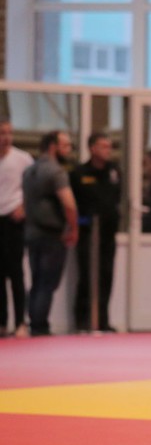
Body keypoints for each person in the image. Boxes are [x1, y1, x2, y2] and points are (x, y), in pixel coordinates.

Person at [22, 130, 78, 337]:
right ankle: (40, 326)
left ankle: (33, 322)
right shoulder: (56, 172)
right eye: (66, 146)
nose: (69, 150)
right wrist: (73, 227)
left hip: (31, 232)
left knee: (37, 281)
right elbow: (69, 204)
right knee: (47, 283)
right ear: (53, 146)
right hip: (51, 234)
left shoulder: (29, 171)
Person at [70, 132, 122, 332]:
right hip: (87, 233)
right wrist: (79, 224)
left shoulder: (114, 171)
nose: (108, 150)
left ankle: (102, 320)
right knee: (87, 276)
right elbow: (75, 205)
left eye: (109, 146)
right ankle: (82, 321)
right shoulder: (79, 173)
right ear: (92, 148)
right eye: (103, 146)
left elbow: (116, 198)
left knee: (106, 276)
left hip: (108, 234)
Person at [0, 119, 35, 338]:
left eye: (9, 133)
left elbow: (34, 187)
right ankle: (2, 322)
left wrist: (24, 206)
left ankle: (21, 321)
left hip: (14, 219)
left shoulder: (22, 159)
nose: (6, 137)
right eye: (2, 133)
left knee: (16, 272)